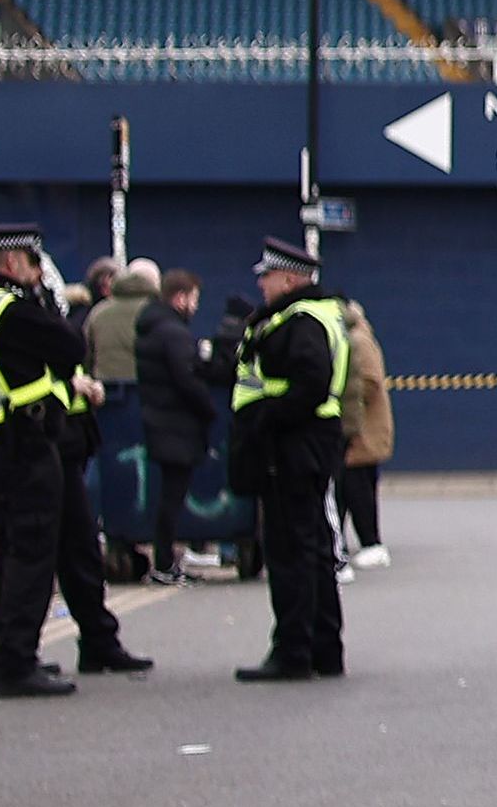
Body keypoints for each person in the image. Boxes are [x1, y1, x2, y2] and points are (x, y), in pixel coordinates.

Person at [0, 224, 146, 696]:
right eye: (33, 265)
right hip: (26, 442)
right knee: (31, 557)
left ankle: (0, 657)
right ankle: (15, 663)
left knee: (17, 551)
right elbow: (70, 346)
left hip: (0, 439)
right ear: (16, 264)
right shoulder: (10, 310)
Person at [229, 238, 356, 683]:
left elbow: (310, 383)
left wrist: (264, 418)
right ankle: (322, 647)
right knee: (312, 548)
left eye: (267, 276)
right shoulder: (309, 315)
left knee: (291, 551)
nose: (261, 284)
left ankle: (293, 650)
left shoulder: (301, 321)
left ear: (289, 279)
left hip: (294, 447)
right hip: (307, 445)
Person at [138, 268, 216, 574]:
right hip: (177, 425)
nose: (195, 306)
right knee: (172, 496)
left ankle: (164, 560)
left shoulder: (152, 327)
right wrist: (208, 410)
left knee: (168, 495)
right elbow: (187, 378)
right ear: (180, 298)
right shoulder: (173, 333)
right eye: (194, 298)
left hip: (160, 420)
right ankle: (165, 563)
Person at [83, 258, 153, 567]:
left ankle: (111, 532)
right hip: (147, 403)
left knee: (108, 466)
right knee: (147, 468)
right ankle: (145, 530)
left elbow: (86, 356)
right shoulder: (152, 313)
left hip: (106, 403)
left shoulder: (99, 314)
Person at [334, 293, 394, 574]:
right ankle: (345, 542)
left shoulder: (357, 340)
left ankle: (371, 543)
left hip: (363, 429)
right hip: (361, 428)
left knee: (356, 487)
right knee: (350, 487)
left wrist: (349, 410)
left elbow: (369, 382)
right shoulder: (356, 335)